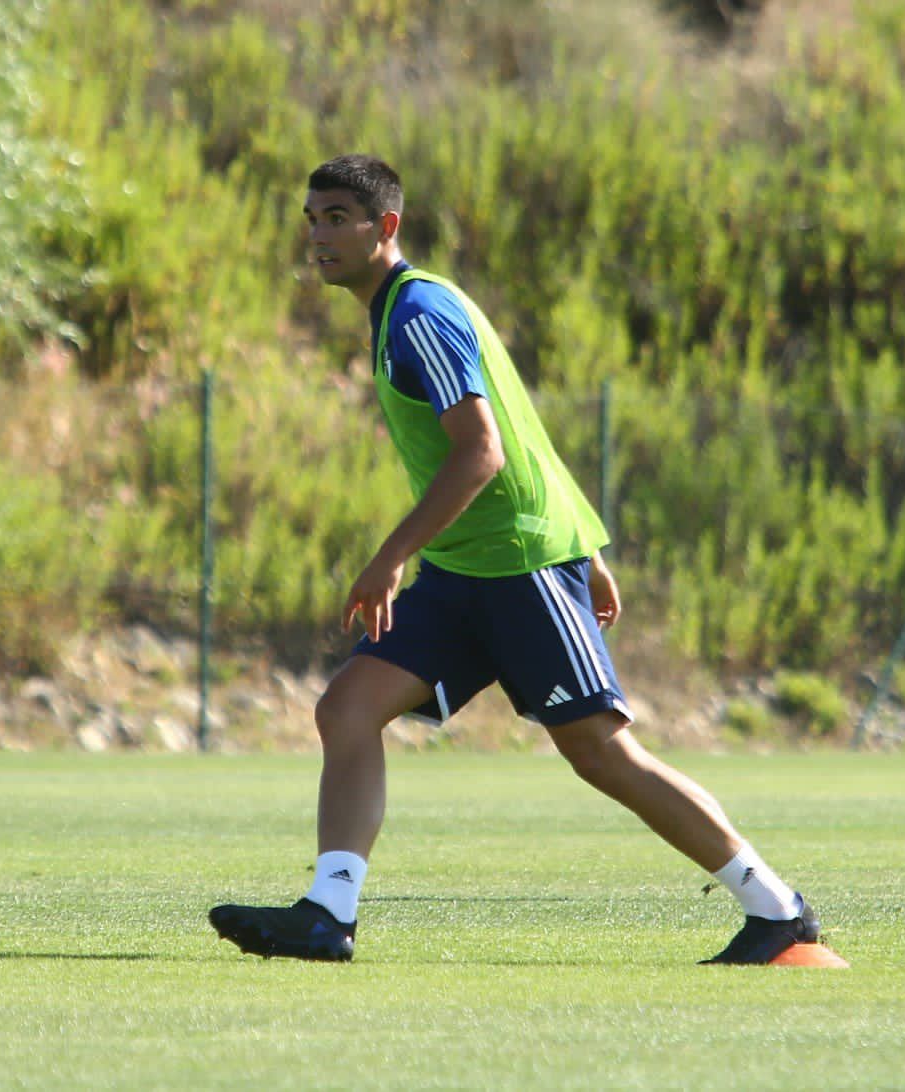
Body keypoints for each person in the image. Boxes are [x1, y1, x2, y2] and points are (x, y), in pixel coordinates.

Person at [209, 154, 822, 965]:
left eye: (335, 219)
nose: (317, 235)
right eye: (311, 218)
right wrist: (591, 545)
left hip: (517, 568)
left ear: (384, 227)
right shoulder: (409, 307)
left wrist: (392, 558)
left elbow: (485, 451)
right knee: (348, 709)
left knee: (600, 752)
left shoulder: (417, 314)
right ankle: (328, 913)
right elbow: (523, 430)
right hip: (469, 571)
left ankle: (777, 910)